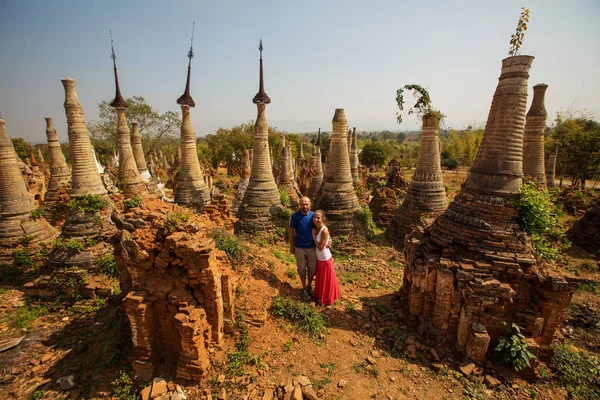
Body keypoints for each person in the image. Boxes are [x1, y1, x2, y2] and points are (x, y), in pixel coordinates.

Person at [289, 196, 317, 301]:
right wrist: (291, 246)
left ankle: (310, 286)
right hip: (299, 247)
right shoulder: (295, 216)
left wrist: (329, 240)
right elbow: (291, 232)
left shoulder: (314, 216)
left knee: (312, 269)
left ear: (310, 204)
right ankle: (304, 288)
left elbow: (322, 228)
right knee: (301, 269)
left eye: (306, 204)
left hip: (312, 247)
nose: (304, 206)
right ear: (299, 205)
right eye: (302, 204)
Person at [312, 210, 340, 306]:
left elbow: (320, 247)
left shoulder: (324, 230)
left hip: (325, 259)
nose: (316, 219)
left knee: (326, 280)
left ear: (322, 218)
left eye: (318, 218)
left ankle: (326, 299)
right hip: (320, 259)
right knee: (322, 279)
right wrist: (330, 239)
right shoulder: (316, 227)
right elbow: (329, 238)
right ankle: (321, 296)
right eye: (314, 217)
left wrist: (313, 237)